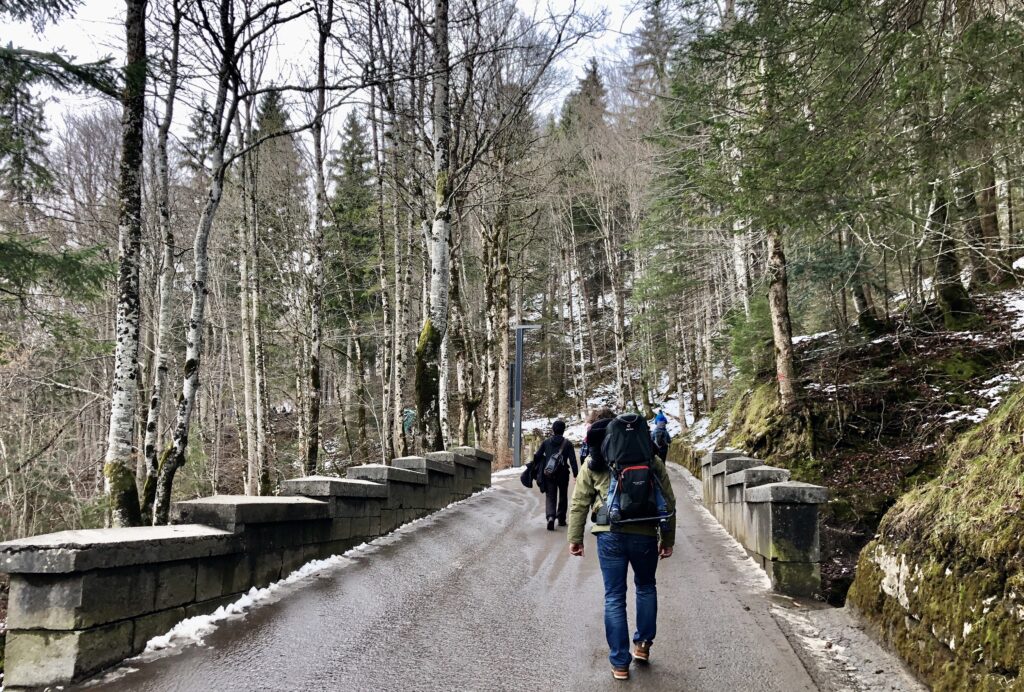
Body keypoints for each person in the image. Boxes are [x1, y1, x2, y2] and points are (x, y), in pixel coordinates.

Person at [568, 409, 676, 681]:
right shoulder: (648, 456)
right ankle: (642, 646)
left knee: (614, 596)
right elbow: (669, 500)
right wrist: (668, 539)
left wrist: (575, 538)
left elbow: (580, 502)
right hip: (645, 532)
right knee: (646, 586)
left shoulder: (594, 460)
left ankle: (619, 663)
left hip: (610, 534)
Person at [531, 419, 578, 531]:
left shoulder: (546, 442)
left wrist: (542, 462)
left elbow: (537, 456)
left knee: (550, 496)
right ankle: (561, 519)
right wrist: (576, 475)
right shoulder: (568, 444)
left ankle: (551, 517)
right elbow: (573, 461)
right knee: (563, 495)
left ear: (553, 430)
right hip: (563, 474)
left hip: (549, 473)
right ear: (563, 430)